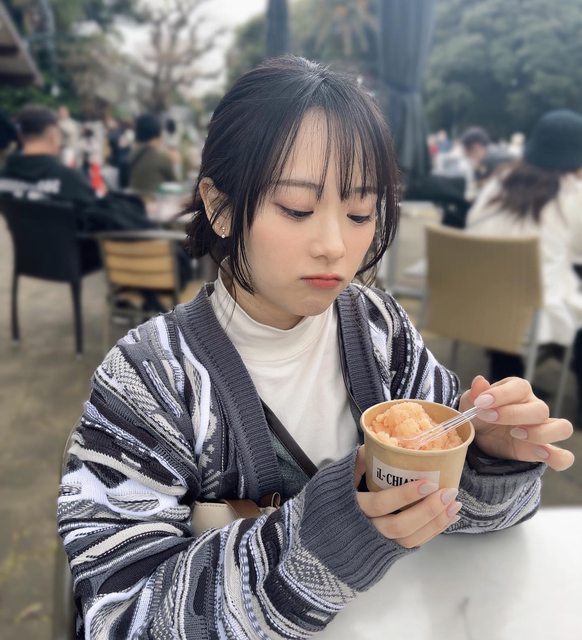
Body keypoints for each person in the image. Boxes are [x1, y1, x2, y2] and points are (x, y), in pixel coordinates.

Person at [57, 57, 574, 638]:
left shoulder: (382, 333)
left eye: (359, 212)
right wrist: (326, 538)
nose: (334, 245)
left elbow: (456, 520)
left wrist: (486, 460)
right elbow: (120, 615)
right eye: (297, 209)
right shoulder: (149, 380)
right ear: (219, 207)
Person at [466, 109, 582, 425]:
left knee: (513, 292)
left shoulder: (499, 182)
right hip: (533, 314)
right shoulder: (572, 194)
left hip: (476, 305)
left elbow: (472, 224)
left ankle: (507, 379)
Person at [128, 112, 177, 197]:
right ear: (157, 135)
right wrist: (176, 163)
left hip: (133, 202)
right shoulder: (162, 158)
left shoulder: (131, 155)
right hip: (155, 202)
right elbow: (174, 184)